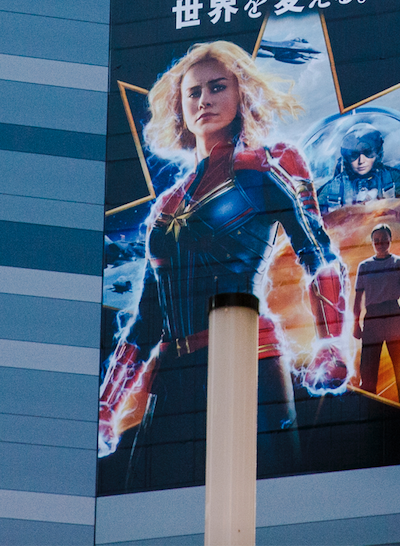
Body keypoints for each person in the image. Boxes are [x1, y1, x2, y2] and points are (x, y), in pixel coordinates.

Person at [97, 41, 350, 490]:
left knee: (269, 507)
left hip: (247, 360)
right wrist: (107, 406)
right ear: (179, 107)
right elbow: (146, 320)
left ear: (241, 96)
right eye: (193, 92)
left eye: (218, 87)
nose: (205, 100)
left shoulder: (266, 168)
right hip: (174, 376)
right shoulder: (167, 205)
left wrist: (332, 344)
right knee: (159, 513)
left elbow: (319, 255)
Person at [352, 225, 400, 407]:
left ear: (390, 239)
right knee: (368, 372)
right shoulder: (364, 266)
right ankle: (368, 411)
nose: (380, 243)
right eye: (377, 240)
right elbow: (358, 299)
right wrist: (355, 324)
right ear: (373, 242)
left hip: (394, 316)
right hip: (372, 318)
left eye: (384, 239)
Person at [319, 123, 400, 209]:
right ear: (347, 158)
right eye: (354, 155)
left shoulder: (392, 178)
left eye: (368, 153)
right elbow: (311, 215)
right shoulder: (334, 188)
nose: (361, 161)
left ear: (378, 154)